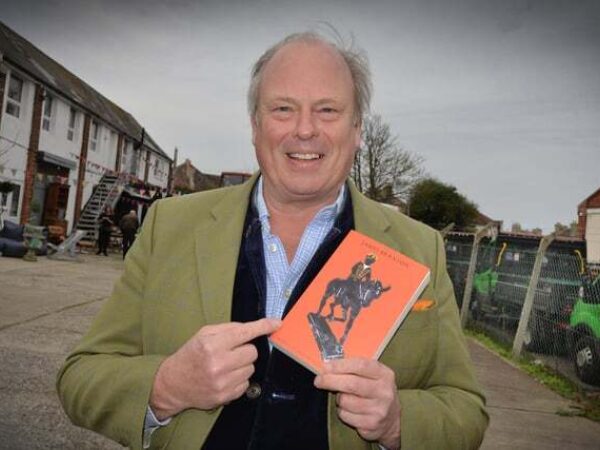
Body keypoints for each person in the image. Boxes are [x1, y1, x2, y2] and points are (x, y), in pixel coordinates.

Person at [57, 32, 488, 450]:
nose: (304, 130)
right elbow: (81, 377)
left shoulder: (418, 249)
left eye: (327, 110)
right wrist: (166, 386)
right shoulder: (169, 226)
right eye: (283, 108)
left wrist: (397, 422)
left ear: (357, 129)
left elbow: (466, 411)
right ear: (255, 125)